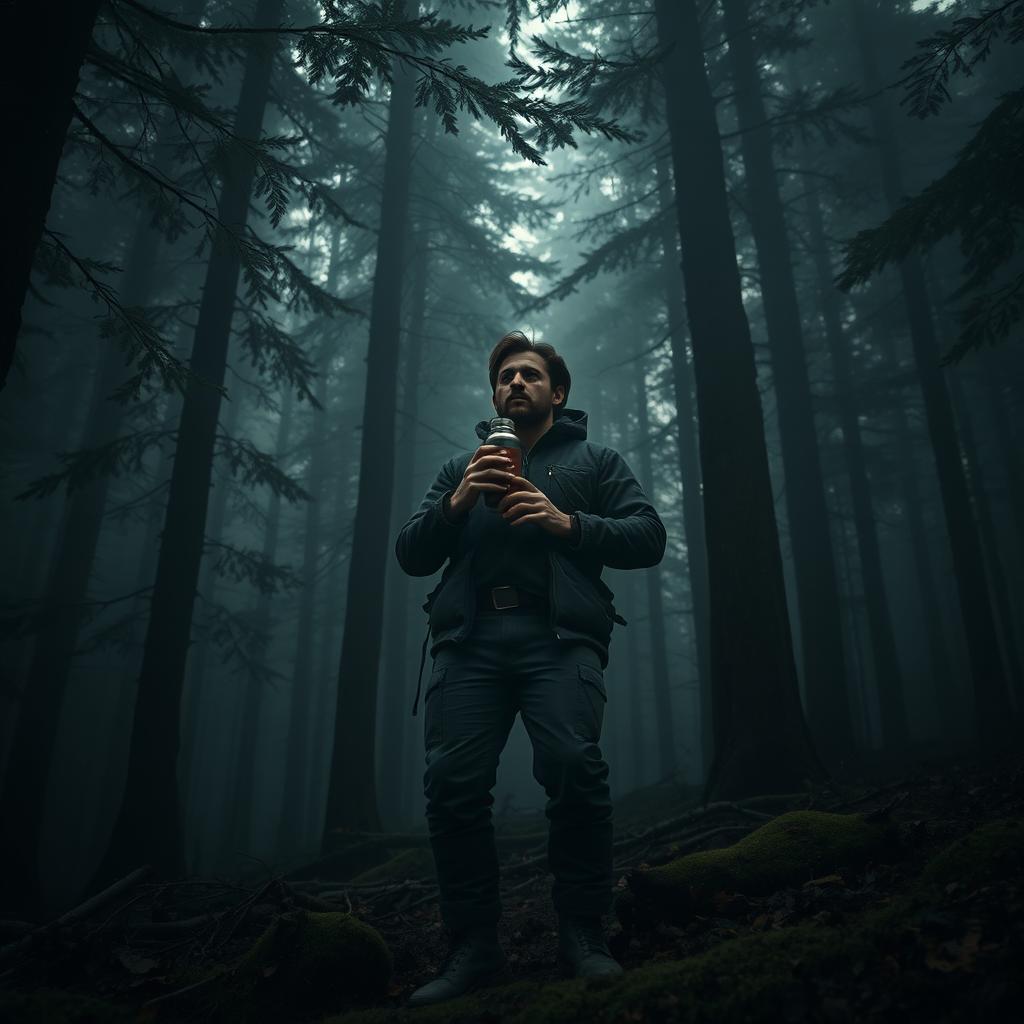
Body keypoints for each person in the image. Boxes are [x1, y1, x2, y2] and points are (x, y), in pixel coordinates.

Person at [394, 331, 666, 1007]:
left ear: (558, 391)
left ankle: (583, 935)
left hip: (560, 639)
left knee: (575, 769)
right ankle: (473, 949)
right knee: (451, 783)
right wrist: (457, 502)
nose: (516, 383)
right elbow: (409, 554)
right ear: (493, 395)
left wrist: (567, 522)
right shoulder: (462, 463)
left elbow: (649, 536)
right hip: (470, 641)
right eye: (505, 377)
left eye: (530, 375)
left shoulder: (596, 459)